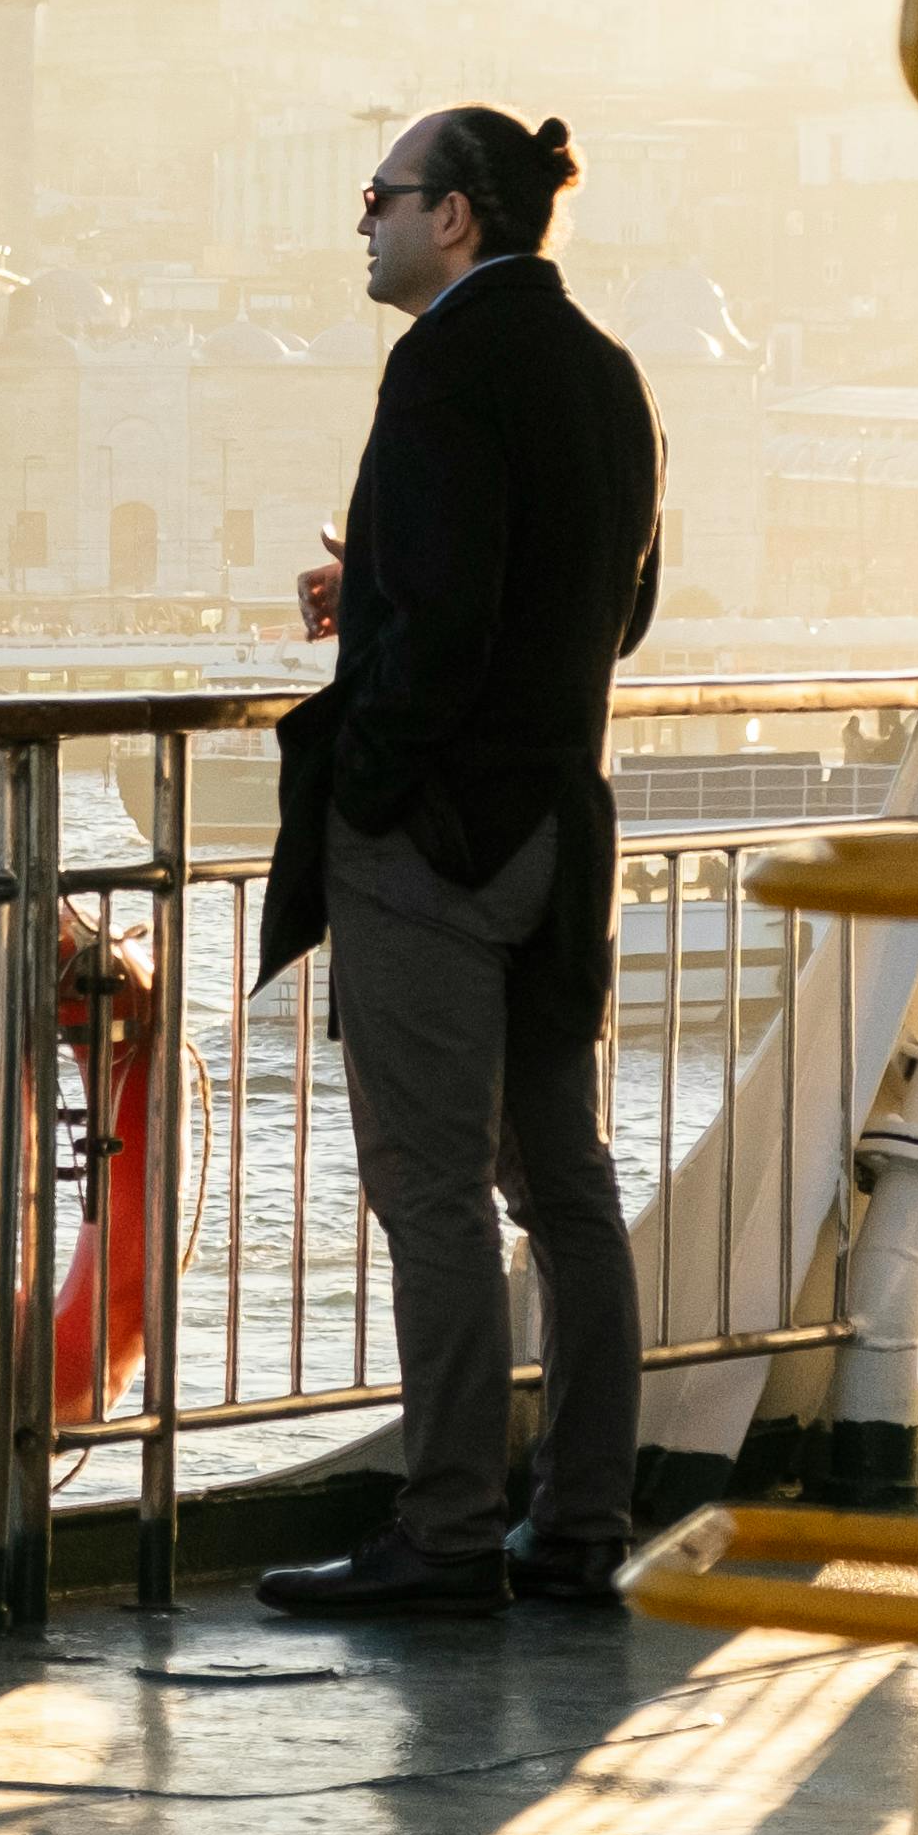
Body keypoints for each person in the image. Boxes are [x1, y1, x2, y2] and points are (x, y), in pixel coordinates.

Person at [253, 103, 666, 1619]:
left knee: (428, 1186)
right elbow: (606, 615)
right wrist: (384, 588)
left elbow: (439, 639)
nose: (362, 220)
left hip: (434, 844)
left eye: (382, 195)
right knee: (562, 1178)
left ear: (457, 219)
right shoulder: (611, 376)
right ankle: (575, 1523)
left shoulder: (436, 372)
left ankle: (439, 1529)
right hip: (562, 829)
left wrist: (367, 782)